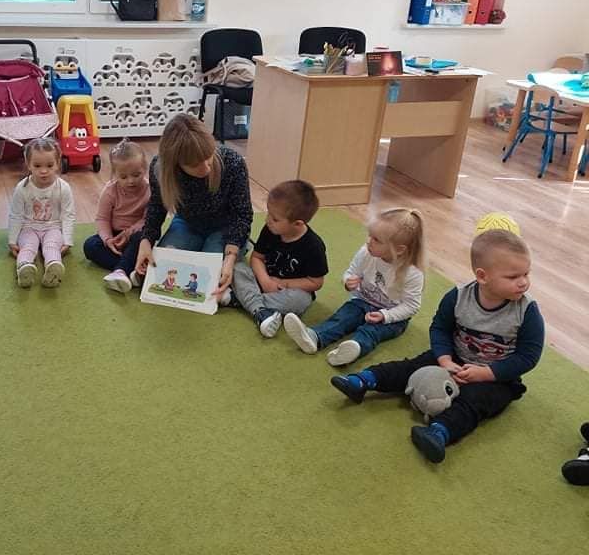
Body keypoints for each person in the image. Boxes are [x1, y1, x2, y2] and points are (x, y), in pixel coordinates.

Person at [330, 229, 544, 464]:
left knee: (475, 401)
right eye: (513, 277)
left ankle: (439, 432)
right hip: (453, 358)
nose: (524, 282)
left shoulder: (527, 311)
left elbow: (528, 356)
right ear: (482, 276)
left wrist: (486, 373)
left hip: (498, 376)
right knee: (410, 367)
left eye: (526, 274)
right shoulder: (458, 297)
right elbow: (440, 328)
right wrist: (444, 359)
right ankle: (364, 380)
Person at [135, 114, 253, 304]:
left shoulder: (233, 162)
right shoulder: (160, 168)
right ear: (176, 163)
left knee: (210, 279)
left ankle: (239, 248)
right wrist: (146, 241)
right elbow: (156, 206)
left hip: (225, 227)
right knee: (162, 271)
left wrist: (230, 257)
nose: (206, 168)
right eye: (195, 164)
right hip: (187, 224)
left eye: (208, 157)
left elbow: (242, 214)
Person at [283, 208, 424, 366]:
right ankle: (315, 337)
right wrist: (348, 281)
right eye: (370, 235)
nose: (369, 241)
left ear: (399, 249)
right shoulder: (366, 252)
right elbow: (351, 272)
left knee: (371, 331)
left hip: (392, 316)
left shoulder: (413, 273)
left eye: (377, 240)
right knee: (343, 318)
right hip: (362, 302)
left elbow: (411, 306)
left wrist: (385, 315)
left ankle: (353, 349)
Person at [232, 180, 328, 338]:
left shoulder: (314, 246)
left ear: (297, 224)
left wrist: (283, 283)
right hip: (261, 280)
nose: (267, 220)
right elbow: (257, 258)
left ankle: (238, 300)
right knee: (238, 267)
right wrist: (265, 281)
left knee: (299, 301)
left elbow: (315, 282)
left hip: (286, 291)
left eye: (275, 219)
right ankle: (260, 311)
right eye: (268, 213)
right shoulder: (270, 229)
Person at [83, 139, 149, 293]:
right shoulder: (110, 190)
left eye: (136, 175)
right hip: (114, 235)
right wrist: (108, 240)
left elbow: (147, 219)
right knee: (90, 245)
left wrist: (129, 232)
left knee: (141, 238)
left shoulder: (149, 190)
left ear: (145, 169)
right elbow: (102, 219)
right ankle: (133, 269)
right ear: (114, 174)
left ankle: (121, 270)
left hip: (136, 236)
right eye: (123, 177)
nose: (131, 181)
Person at [8, 138, 76, 288]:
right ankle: (24, 268)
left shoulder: (63, 188)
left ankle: (53, 267)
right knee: (28, 247)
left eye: (49, 165)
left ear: (57, 163)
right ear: (28, 164)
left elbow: (68, 214)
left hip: (53, 228)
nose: (44, 171)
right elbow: (16, 214)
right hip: (29, 227)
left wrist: (67, 240)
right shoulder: (22, 188)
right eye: (37, 166)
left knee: (51, 246)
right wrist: (12, 240)